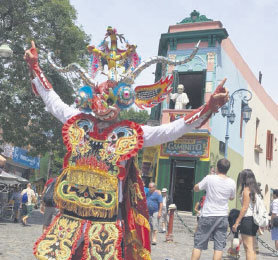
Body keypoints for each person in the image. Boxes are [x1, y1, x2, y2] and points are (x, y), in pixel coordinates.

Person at [24, 28, 229, 259]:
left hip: (107, 224)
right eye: (99, 98)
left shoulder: (130, 132)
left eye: (110, 99)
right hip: (69, 219)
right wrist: (35, 67)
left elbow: (172, 129)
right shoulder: (78, 123)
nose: (103, 105)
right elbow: (53, 101)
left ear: (122, 101)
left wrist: (208, 107)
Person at [191, 158, 236, 260]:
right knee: (219, 247)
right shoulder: (232, 182)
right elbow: (232, 197)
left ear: (217, 168)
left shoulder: (209, 178)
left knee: (198, 244)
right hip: (222, 216)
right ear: (227, 169)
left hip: (208, 214)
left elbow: (196, 188)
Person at [232, 169, 260, 260]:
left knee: (248, 248)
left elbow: (244, 208)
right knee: (252, 248)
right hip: (254, 220)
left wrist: (237, 222)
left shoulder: (246, 190)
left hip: (247, 219)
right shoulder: (255, 189)